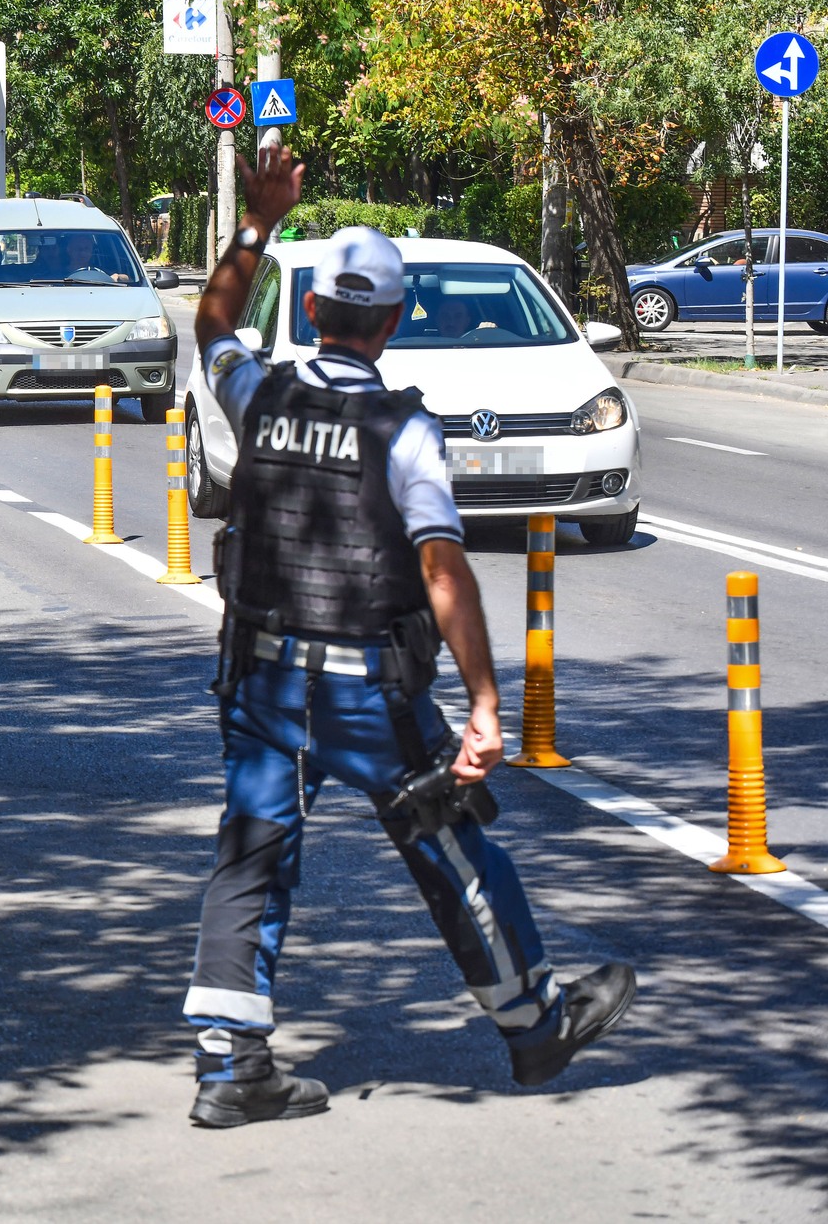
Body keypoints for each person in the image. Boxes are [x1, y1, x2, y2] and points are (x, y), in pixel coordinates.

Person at [180, 143, 636, 1130]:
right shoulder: (403, 432)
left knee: (250, 852)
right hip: (364, 695)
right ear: (389, 323)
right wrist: (480, 704)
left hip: (258, 683)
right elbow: (441, 571)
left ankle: (227, 1065)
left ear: (310, 313)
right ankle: (531, 1024)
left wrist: (256, 222)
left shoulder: (257, 397)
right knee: (450, 840)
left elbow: (212, 321)